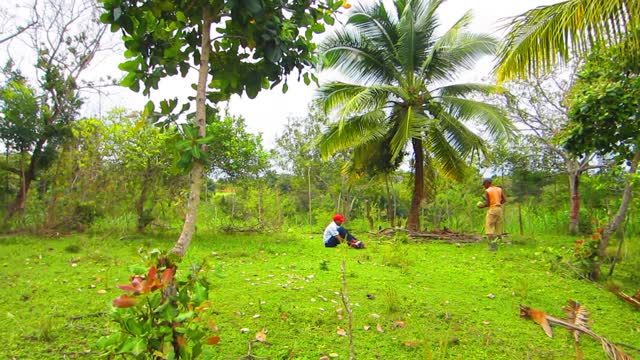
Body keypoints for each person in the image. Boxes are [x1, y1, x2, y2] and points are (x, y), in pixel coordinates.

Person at [477, 178, 506, 251]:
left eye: (484, 184)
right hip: (499, 209)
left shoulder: (488, 191)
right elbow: (504, 200)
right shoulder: (499, 189)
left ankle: (492, 246)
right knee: (498, 227)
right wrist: (497, 203)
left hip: (492, 209)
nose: (484, 186)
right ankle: (499, 244)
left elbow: (488, 203)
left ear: (488, 183)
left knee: (489, 227)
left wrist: (481, 206)